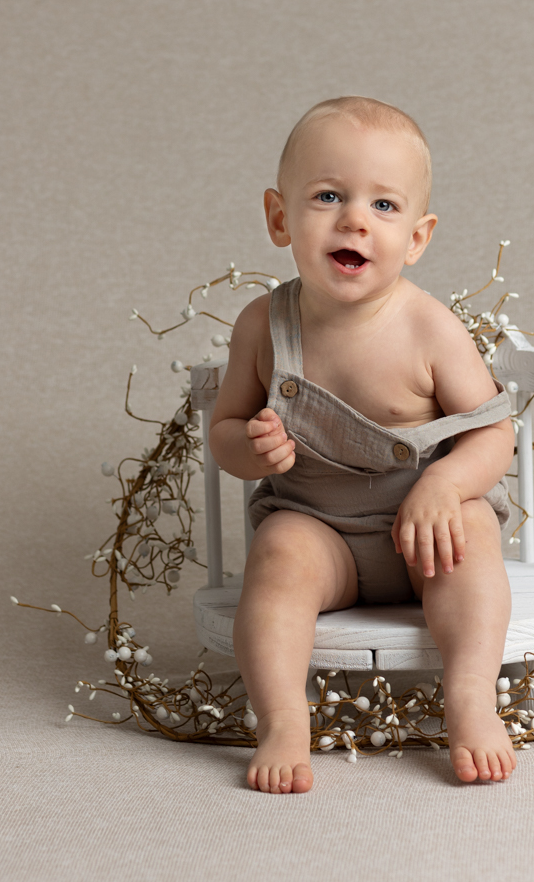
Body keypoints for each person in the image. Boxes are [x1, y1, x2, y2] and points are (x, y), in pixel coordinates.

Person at [209, 96, 517, 793]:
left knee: (471, 535)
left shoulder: (429, 328)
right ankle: (284, 718)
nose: (354, 219)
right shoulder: (264, 325)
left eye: (384, 206)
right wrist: (251, 450)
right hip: (324, 533)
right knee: (280, 554)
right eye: (327, 196)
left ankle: (470, 696)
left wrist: (446, 484)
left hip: (424, 533)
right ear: (279, 217)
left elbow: (494, 430)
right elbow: (224, 430)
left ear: (416, 237)